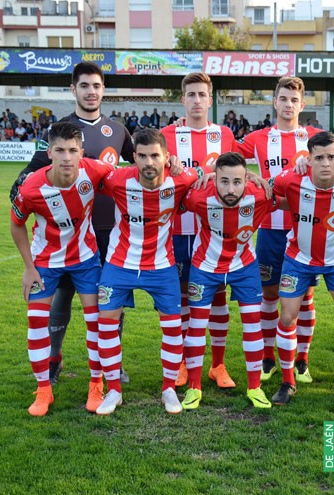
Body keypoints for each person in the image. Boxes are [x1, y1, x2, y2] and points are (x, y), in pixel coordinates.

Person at [9, 62, 136, 387]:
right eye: (84, 86)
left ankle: (113, 362)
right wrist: (17, 189)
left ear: (103, 89)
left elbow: (138, 166)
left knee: (111, 301)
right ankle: (53, 358)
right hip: (66, 234)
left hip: (110, 230)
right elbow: (32, 171)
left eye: (96, 85)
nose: (90, 92)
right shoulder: (61, 129)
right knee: (61, 300)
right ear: (73, 90)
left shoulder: (118, 130)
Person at [94, 128, 205, 416]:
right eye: (142, 156)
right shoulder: (116, 179)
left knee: (171, 328)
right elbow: (85, 168)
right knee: (105, 325)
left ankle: (169, 387)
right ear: (133, 157)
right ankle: (113, 390)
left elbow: (211, 173)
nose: (148, 162)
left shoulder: (182, 178)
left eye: (155, 155)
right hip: (120, 264)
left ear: (167, 157)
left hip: (161, 266)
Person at [10, 122, 113, 416]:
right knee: (35, 322)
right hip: (45, 262)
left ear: (81, 152)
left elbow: (132, 177)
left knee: (96, 322)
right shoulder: (30, 188)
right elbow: (16, 225)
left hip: (86, 259)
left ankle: (96, 383)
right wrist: (29, 268)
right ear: (49, 152)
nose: (67, 157)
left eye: (72, 150)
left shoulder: (95, 171)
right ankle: (44, 390)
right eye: (60, 151)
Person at [271, 132, 334, 407]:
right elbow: (264, 189)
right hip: (298, 258)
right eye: (319, 158)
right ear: (309, 159)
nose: (326, 163)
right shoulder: (290, 179)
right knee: (287, 317)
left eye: (332, 157)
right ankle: (288, 382)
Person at [236, 77, 322, 384]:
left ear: (302, 104)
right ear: (275, 102)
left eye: (294, 100)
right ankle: (269, 358)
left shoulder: (315, 139)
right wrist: (249, 174)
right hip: (270, 230)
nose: (288, 105)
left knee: (305, 297)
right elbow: (224, 155)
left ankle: (301, 360)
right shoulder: (259, 138)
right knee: (270, 295)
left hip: (305, 230)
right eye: (283, 99)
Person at [180, 152, 276, 410]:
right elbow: (177, 184)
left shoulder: (261, 195)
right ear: (214, 180)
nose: (231, 189)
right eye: (224, 181)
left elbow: (293, 185)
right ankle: (194, 388)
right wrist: (203, 173)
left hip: (244, 266)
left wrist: (257, 178)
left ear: (247, 180)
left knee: (253, 325)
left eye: (237, 181)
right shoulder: (198, 196)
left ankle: (255, 387)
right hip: (205, 266)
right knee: (196, 327)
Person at [161, 72, 238, 390]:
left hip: (215, 232)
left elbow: (235, 178)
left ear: (210, 99)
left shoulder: (225, 135)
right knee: (181, 298)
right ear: (182, 99)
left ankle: (217, 366)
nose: (196, 100)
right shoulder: (165, 135)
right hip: (178, 229)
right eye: (190, 94)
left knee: (218, 297)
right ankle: (180, 364)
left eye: (201, 95)